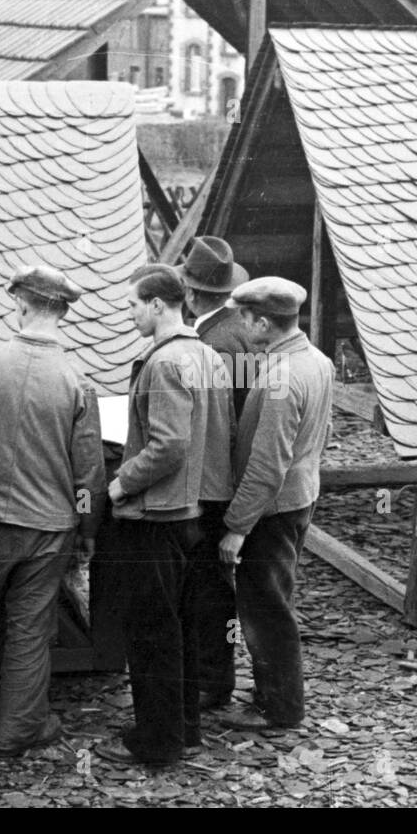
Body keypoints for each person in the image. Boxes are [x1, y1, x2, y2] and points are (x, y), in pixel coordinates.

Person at [0, 266, 105, 756]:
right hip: (50, 528)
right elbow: (88, 474)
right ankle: (19, 730)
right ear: (64, 311)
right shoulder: (77, 382)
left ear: (22, 305)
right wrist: (87, 528)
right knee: (31, 629)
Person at [95, 264, 233, 766]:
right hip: (196, 511)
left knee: (151, 632)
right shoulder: (207, 355)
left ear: (157, 305)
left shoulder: (163, 363)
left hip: (158, 515)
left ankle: (157, 742)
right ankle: (185, 729)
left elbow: (169, 443)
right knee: (183, 626)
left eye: (133, 304)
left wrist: (120, 483)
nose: (129, 314)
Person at [216, 277, 334, 731]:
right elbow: (321, 435)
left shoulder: (282, 377)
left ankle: (278, 708)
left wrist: (237, 526)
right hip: (297, 498)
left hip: (272, 509)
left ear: (263, 321)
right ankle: (275, 695)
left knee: (266, 610)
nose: (242, 325)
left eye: (245, 318)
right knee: (275, 600)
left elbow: (267, 466)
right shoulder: (316, 360)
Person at [179, 236, 250, 711]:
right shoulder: (239, 332)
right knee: (216, 583)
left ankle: (209, 679)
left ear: (188, 294)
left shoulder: (210, 344)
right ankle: (215, 674)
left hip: (212, 482)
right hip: (235, 477)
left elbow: (212, 422)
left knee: (204, 585)